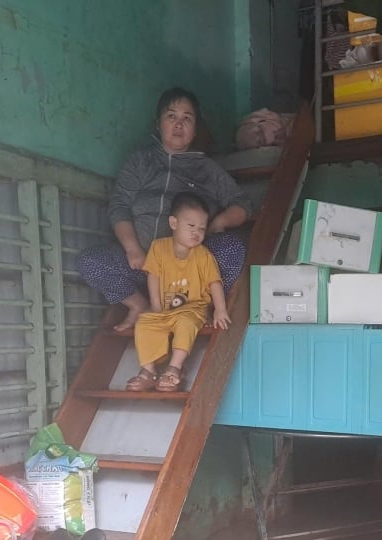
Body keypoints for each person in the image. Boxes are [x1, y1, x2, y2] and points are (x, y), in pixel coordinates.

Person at [77, 87, 252, 333]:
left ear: (195, 128)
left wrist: (216, 224)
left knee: (232, 248)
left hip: (190, 271)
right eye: (172, 116)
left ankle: (202, 306)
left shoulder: (206, 169)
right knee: (90, 261)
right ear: (158, 124)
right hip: (144, 265)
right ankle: (139, 305)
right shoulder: (139, 162)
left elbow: (242, 204)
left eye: (187, 118)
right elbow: (119, 206)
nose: (179, 124)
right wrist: (133, 249)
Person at [124, 193, 230, 393]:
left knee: (185, 323)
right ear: (173, 222)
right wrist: (155, 306)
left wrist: (220, 310)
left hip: (193, 309)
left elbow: (215, 283)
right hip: (165, 309)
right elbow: (153, 276)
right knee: (145, 322)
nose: (196, 233)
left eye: (201, 228)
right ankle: (148, 372)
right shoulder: (159, 247)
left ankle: (175, 368)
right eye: (191, 226)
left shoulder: (203, 255)